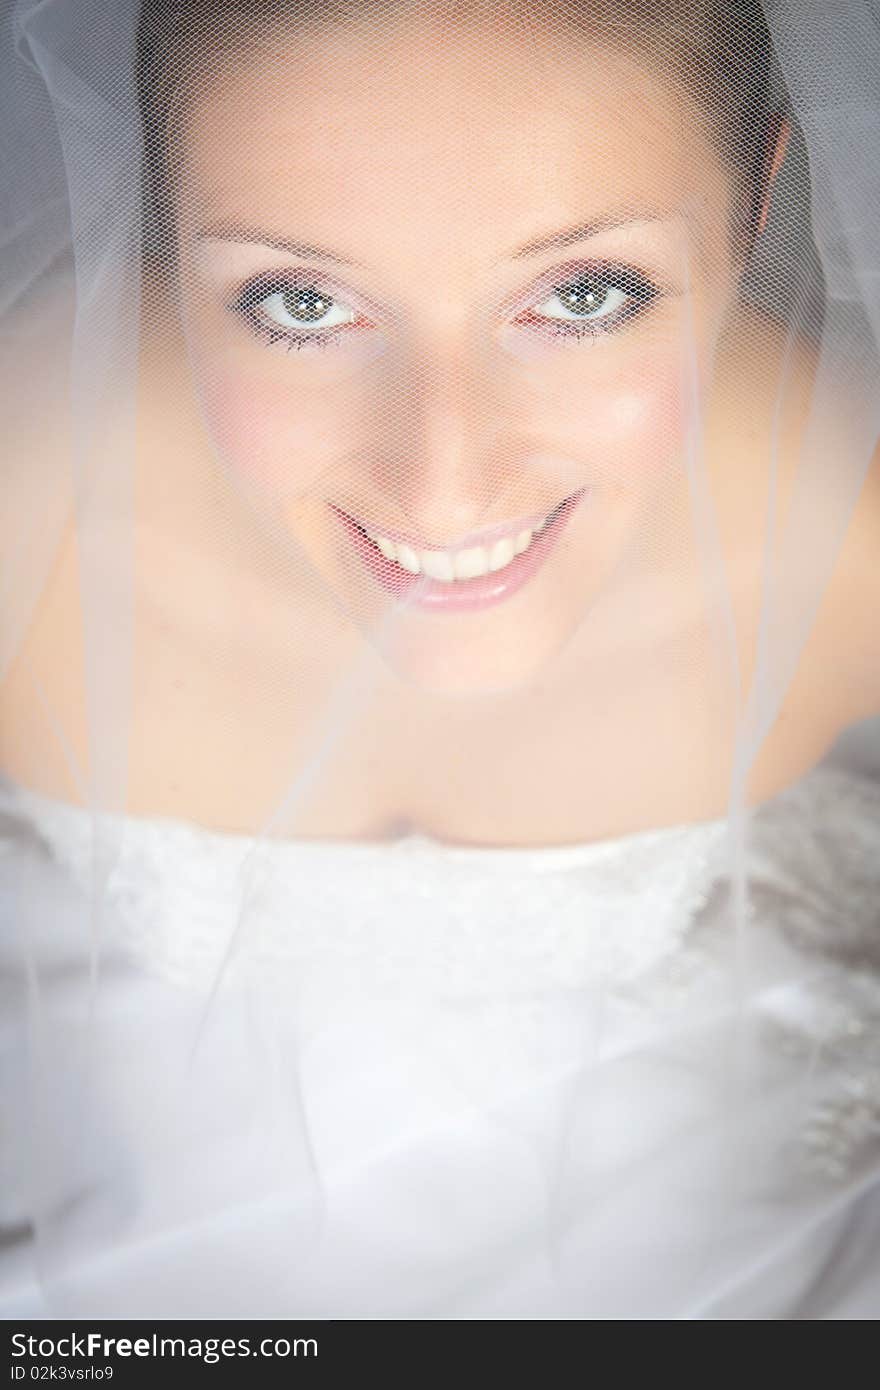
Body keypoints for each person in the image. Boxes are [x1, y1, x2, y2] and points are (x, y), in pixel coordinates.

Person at [0, 0, 878, 1319]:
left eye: (583, 294)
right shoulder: (31, 521)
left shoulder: (849, 536)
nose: (445, 481)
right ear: (159, 235)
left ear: (756, 207)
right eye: (302, 302)